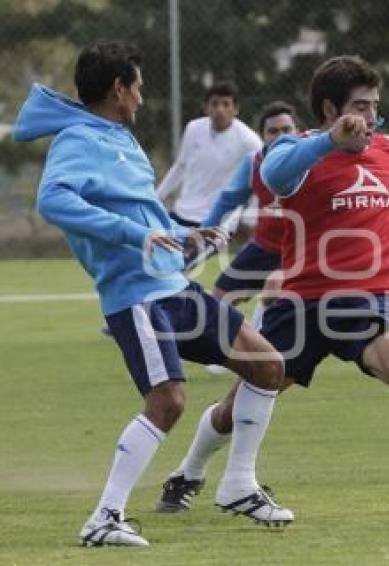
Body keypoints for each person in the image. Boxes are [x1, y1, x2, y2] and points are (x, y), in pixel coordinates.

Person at [156, 55, 389, 515]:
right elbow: (274, 176)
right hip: (300, 301)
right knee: (234, 408)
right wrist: (327, 144)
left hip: (367, 294)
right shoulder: (292, 151)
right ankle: (189, 471)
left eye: (375, 105)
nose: (371, 117)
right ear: (330, 110)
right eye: (361, 107)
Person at [14, 40, 292, 548]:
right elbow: (53, 200)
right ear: (118, 88)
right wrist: (132, 234)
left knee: (269, 365)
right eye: (137, 87)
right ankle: (103, 518)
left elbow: (145, 212)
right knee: (167, 400)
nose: (142, 97)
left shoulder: (120, 138)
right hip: (136, 295)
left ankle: (237, 485)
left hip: (174, 285)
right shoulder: (77, 140)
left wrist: (189, 233)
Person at [201, 101, 299, 319]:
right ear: (263, 136)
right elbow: (228, 200)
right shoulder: (253, 163)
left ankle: (262, 344)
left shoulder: (312, 161)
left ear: (298, 133)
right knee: (216, 302)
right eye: (273, 131)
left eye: (286, 129)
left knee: (274, 287)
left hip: (301, 250)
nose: (281, 136)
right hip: (263, 247)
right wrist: (203, 231)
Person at [156, 80, 262, 228]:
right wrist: (156, 198)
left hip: (219, 220)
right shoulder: (193, 128)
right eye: (215, 104)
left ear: (236, 109)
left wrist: (250, 217)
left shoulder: (250, 141)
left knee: (192, 251)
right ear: (205, 108)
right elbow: (180, 166)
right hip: (182, 212)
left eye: (226, 104)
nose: (220, 109)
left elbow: (260, 179)